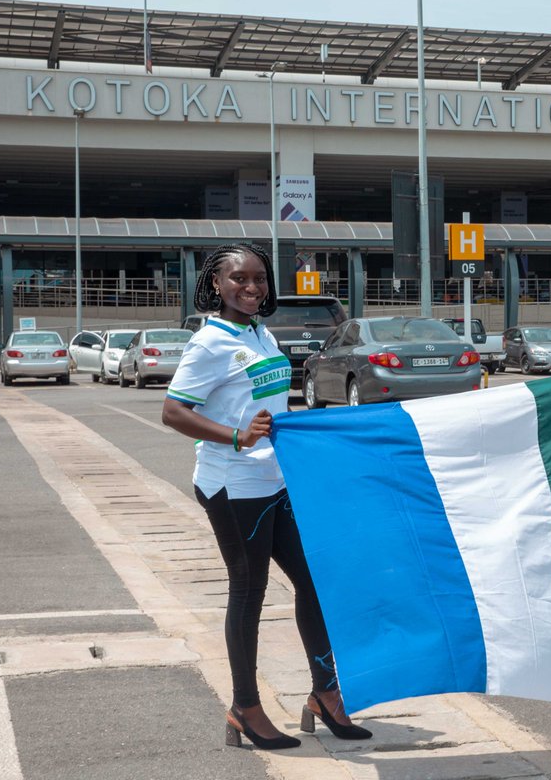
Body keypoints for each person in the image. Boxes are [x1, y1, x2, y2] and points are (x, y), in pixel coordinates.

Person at [162, 242, 371, 751]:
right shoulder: (209, 343)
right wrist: (237, 436)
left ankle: (325, 694)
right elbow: (173, 411)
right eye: (239, 278)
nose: (252, 287)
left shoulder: (261, 333)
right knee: (248, 591)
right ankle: (245, 708)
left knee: (314, 580)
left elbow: (270, 407)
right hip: (233, 486)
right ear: (216, 283)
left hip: (274, 480)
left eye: (259, 278)